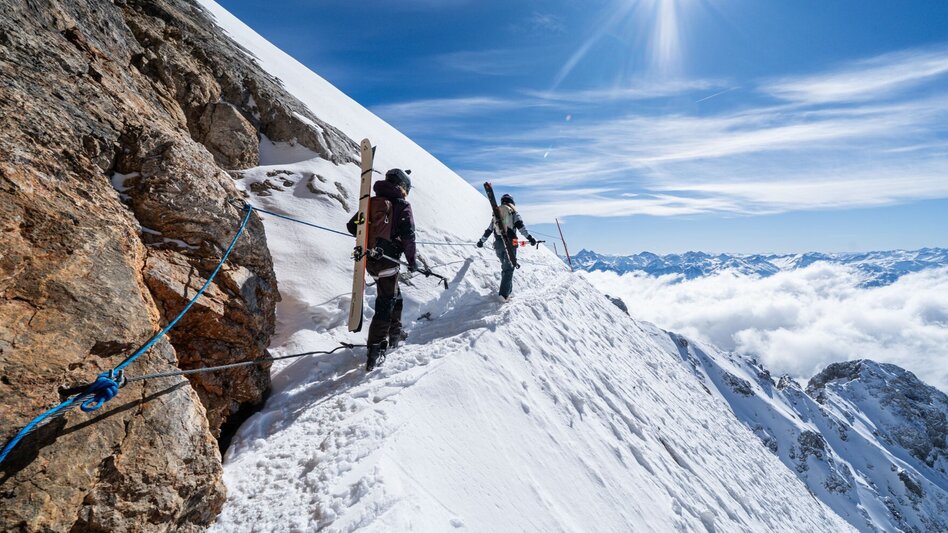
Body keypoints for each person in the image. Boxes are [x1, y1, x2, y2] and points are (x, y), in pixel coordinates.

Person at [347, 168, 416, 370]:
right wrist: (412, 261)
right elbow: (408, 237)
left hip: (370, 260)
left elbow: (352, 227)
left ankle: (395, 333)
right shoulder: (402, 205)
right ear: (403, 186)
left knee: (395, 295)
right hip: (388, 260)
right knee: (385, 303)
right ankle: (375, 348)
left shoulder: (369, 202)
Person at [476, 193, 536, 301]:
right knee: (509, 268)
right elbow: (522, 228)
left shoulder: (496, 214)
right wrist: (530, 238)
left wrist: (481, 241)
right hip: (510, 244)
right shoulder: (513, 212)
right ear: (511, 202)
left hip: (498, 245)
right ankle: (503, 295)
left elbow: (489, 230)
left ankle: (508, 292)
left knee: (506, 267)